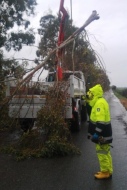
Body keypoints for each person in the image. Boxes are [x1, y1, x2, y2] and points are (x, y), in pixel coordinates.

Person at [87, 84, 113, 179]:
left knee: (102, 153)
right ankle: (108, 170)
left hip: (102, 135)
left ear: (95, 94)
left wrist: (96, 134)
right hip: (105, 134)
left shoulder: (99, 104)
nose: (89, 96)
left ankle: (105, 172)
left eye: (91, 94)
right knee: (106, 152)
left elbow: (100, 122)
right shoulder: (99, 102)